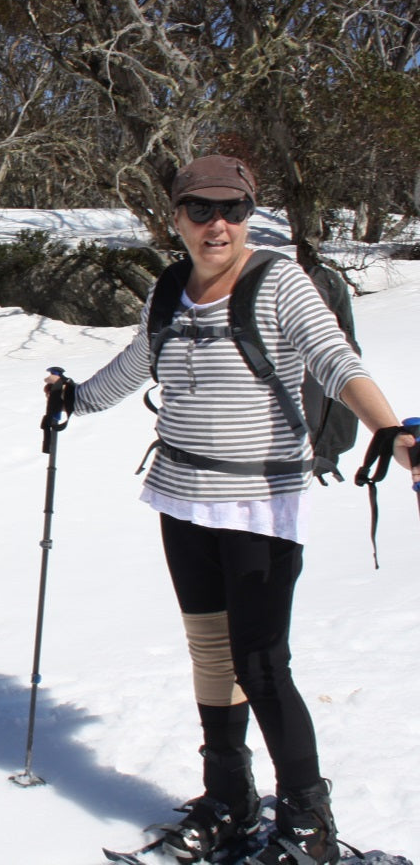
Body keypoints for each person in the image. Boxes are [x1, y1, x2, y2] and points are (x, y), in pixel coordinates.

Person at [46, 155, 417, 864]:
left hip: (257, 502)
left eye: (234, 210)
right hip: (181, 498)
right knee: (212, 654)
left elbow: (336, 362)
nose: (218, 225)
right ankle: (229, 801)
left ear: (251, 214)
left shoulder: (279, 282)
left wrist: (393, 432)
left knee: (262, 664)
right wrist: (76, 397)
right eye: (201, 210)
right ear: (175, 217)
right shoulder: (169, 289)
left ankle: (309, 825)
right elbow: (137, 362)